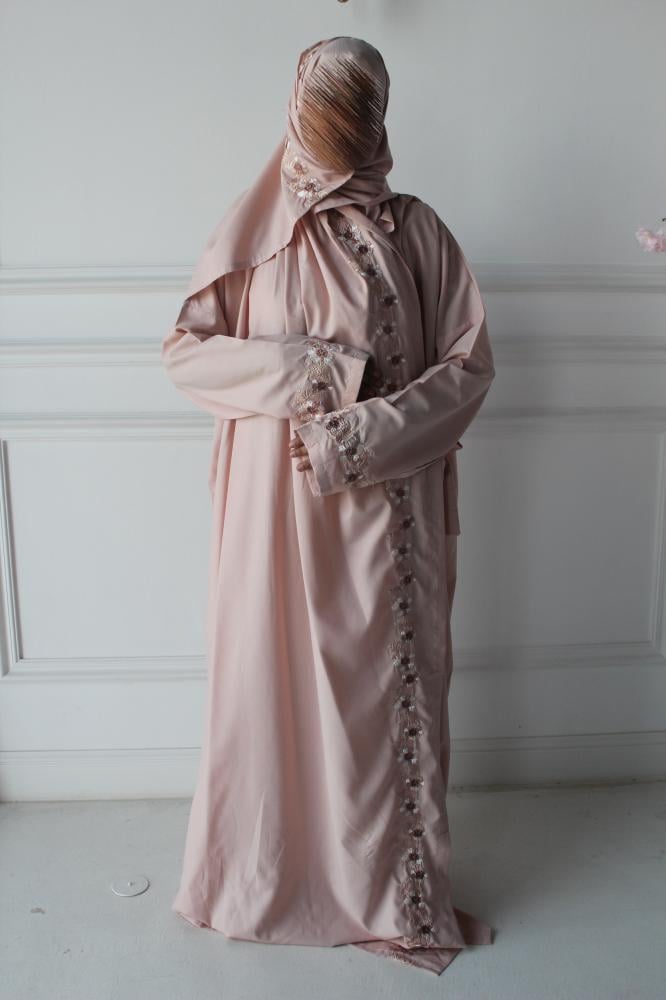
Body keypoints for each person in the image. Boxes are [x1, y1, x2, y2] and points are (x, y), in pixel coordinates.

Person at [161, 34, 496, 975]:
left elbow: (469, 368)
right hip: (276, 523)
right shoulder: (256, 231)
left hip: (391, 517)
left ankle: (383, 886)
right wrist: (315, 370)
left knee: (380, 698)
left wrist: (361, 432)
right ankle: (269, 876)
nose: (339, 130)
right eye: (325, 110)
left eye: (357, 112)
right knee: (269, 691)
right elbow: (187, 354)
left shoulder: (418, 232)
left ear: (380, 119)